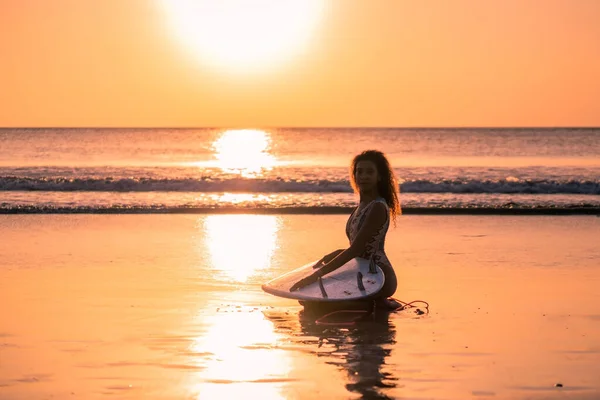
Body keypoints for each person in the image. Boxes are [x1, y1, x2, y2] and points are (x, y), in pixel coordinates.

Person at [290, 150, 401, 310]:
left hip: (379, 277)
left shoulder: (377, 207)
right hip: (362, 273)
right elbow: (359, 248)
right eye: (359, 171)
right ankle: (371, 303)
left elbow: (356, 249)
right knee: (307, 300)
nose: (363, 176)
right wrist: (337, 253)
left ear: (380, 177)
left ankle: (379, 302)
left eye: (370, 172)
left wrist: (316, 276)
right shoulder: (361, 207)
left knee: (315, 304)